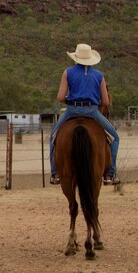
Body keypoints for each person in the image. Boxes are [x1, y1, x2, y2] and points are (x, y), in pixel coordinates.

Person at [49, 43, 120, 186]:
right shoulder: (99, 75)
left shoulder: (67, 72)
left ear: (76, 57)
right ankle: (109, 174)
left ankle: (55, 173)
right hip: (92, 111)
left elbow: (60, 97)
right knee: (115, 138)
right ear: (90, 59)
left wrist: (71, 99)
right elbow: (105, 102)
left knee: (53, 137)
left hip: (72, 110)